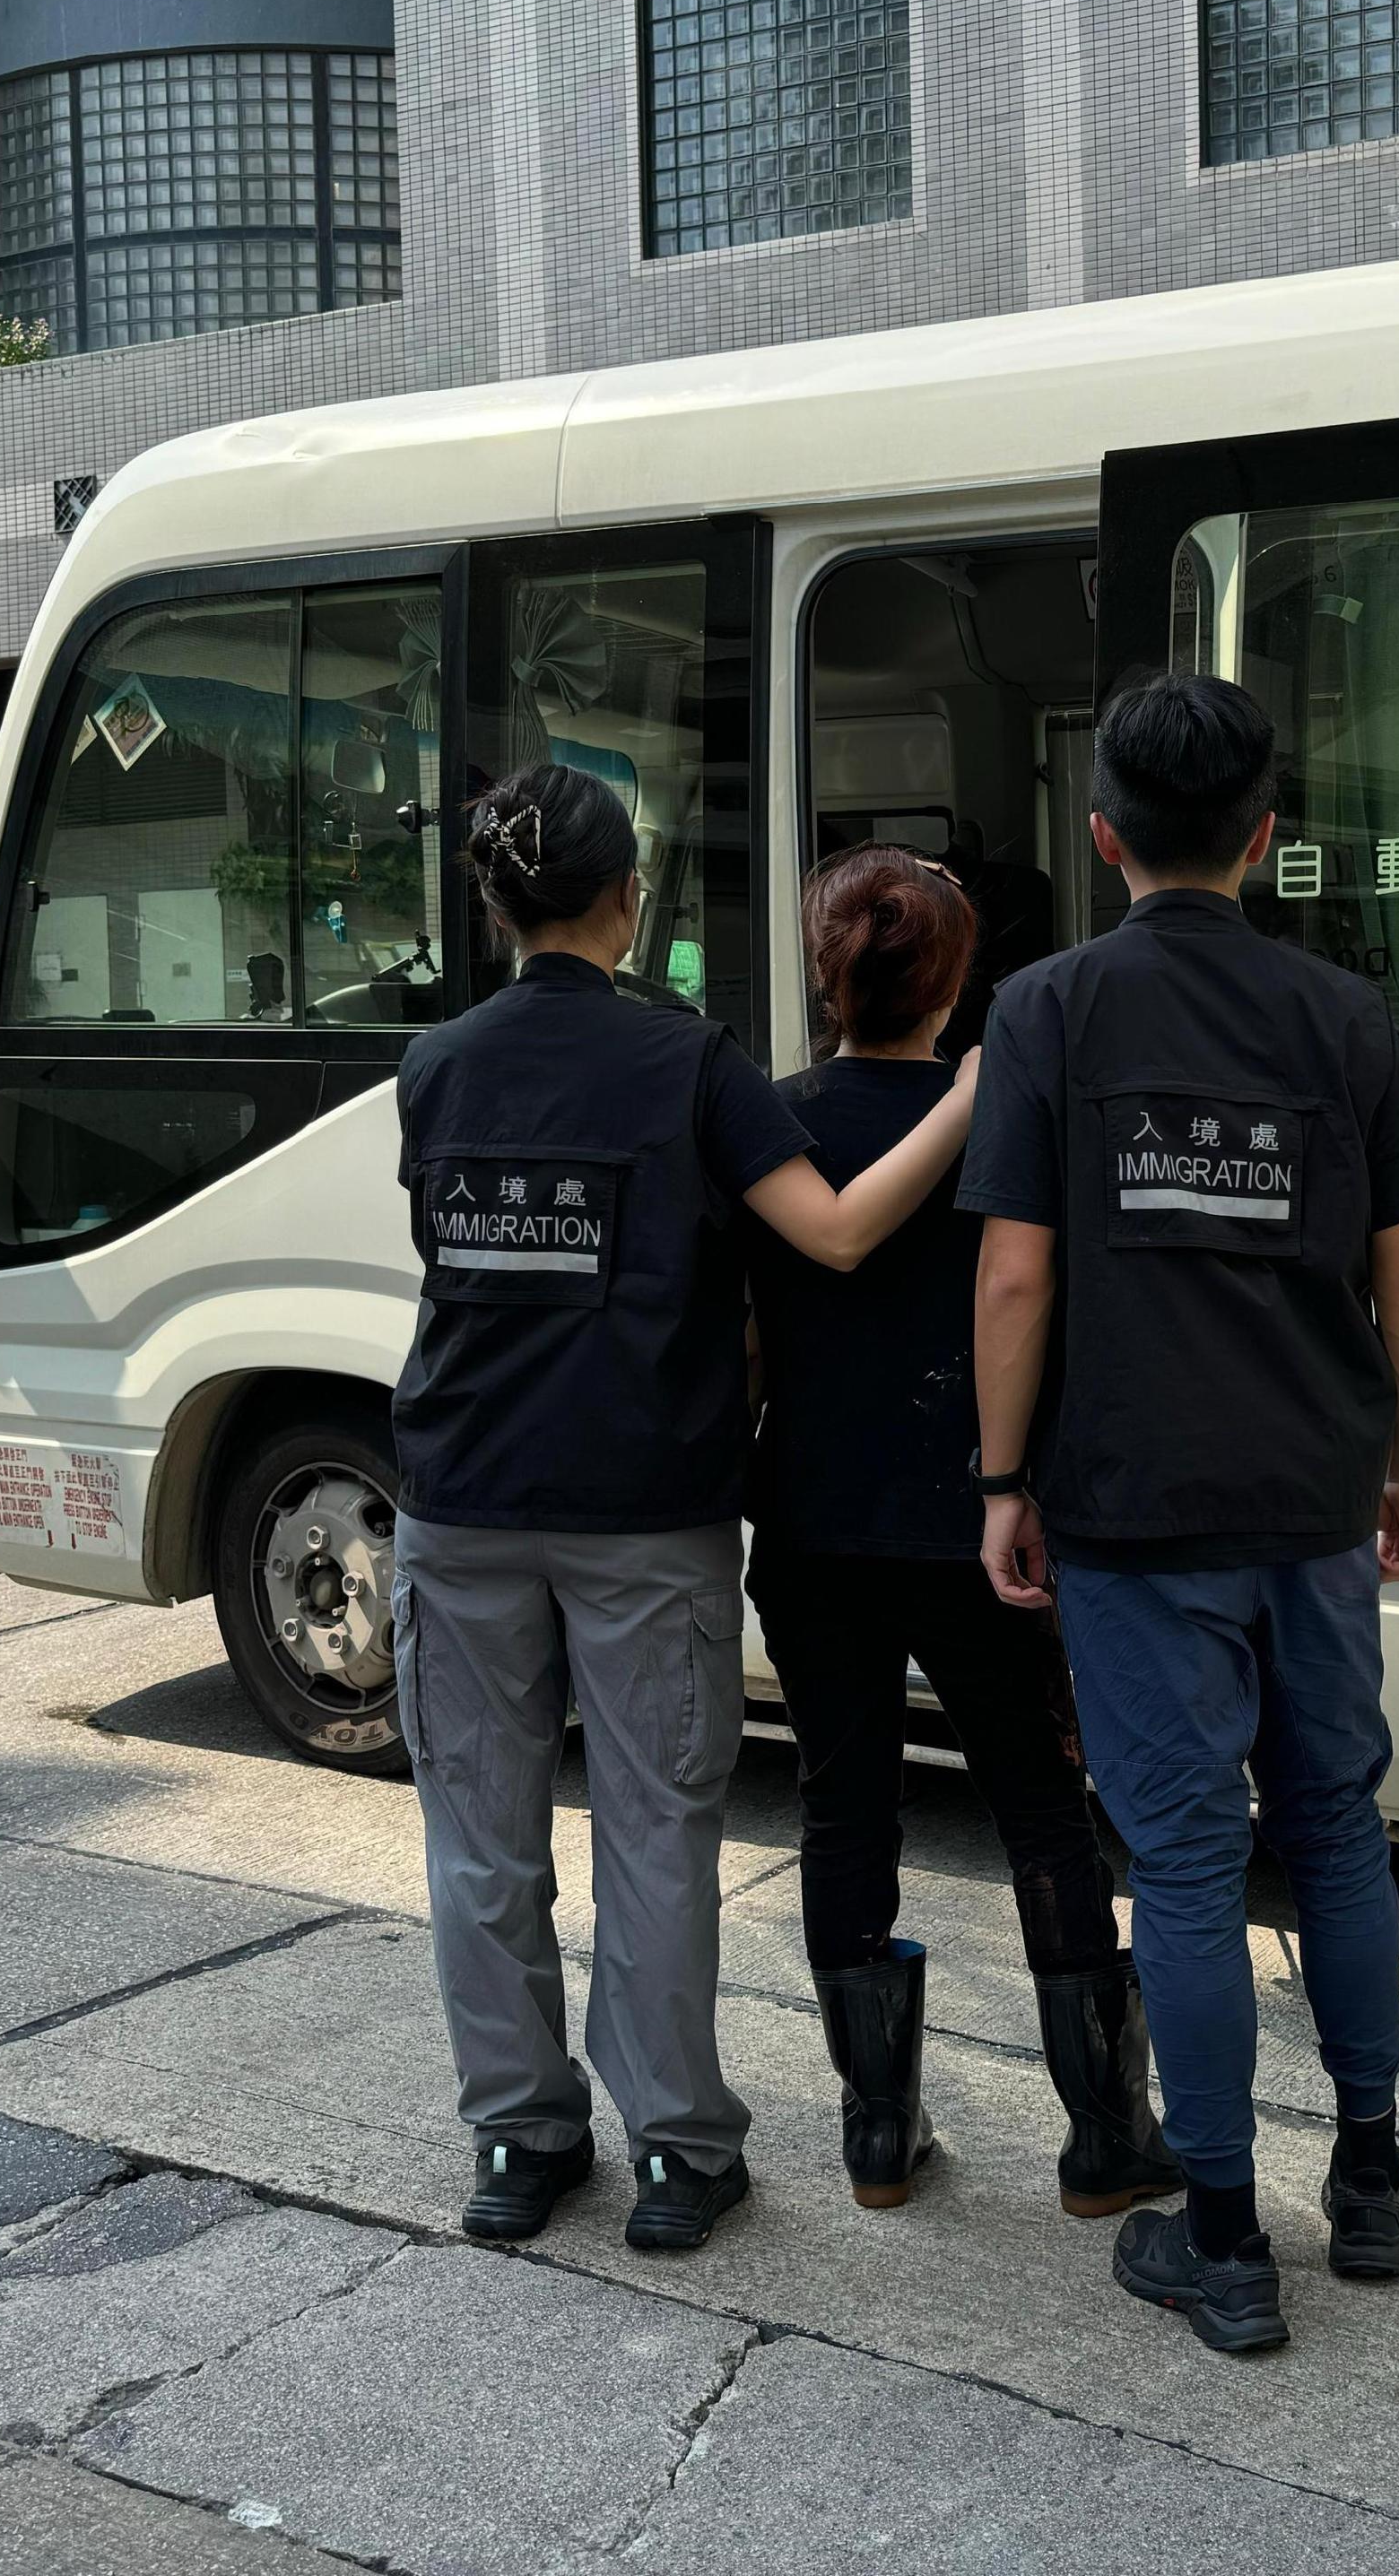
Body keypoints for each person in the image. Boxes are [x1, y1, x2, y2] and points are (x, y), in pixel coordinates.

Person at [391, 759, 977, 2254]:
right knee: (655, 1832)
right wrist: (973, 1092)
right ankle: (674, 2155)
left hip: (457, 1498)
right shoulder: (689, 1063)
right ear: (629, 899)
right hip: (643, 1510)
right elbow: (835, 1234)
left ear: (494, 905)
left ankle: (519, 2146)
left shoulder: (437, 1063)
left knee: (478, 1836)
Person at [958, 670, 1399, 2356]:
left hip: (1134, 1506)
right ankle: (1372, 2180)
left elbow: (1015, 1271)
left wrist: (1005, 1480)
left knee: (1183, 1864)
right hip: (1314, 1494)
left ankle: (1223, 2241)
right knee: (1338, 1830)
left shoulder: (1048, 1010)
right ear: (1266, 839)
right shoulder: (1343, 1021)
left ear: (1105, 840)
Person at [743, 843, 1184, 2216]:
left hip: (811, 1522)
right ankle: (1107, 2140)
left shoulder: (767, 1120)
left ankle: (878, 2135)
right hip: (976, 1519)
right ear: (953, 980)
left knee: (842, 1806)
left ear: (828, 972)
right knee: (1046, 1812)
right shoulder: (1009, 1111)